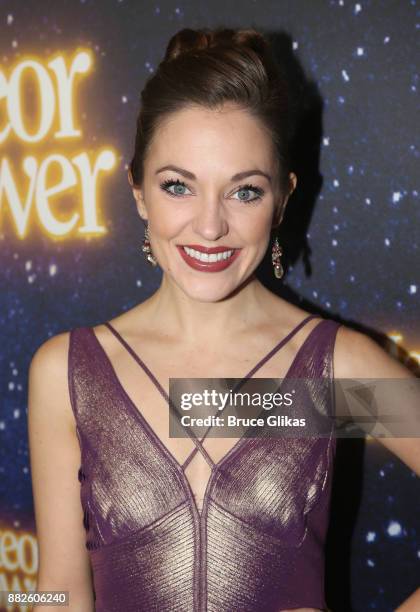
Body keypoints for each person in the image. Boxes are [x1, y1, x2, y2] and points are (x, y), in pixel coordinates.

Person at [28, 26, 420, 612]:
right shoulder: (67, 372)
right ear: (138, 189)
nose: (209, 227)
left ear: (283, 198)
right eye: (179, 186)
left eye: (244, 192)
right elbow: (56, 591)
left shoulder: (333, 376)